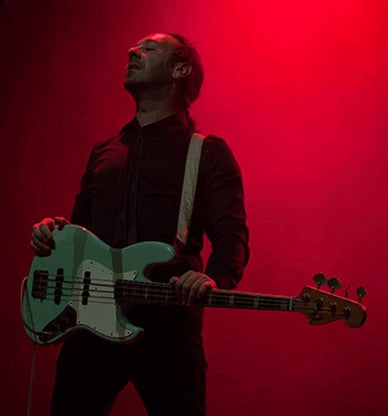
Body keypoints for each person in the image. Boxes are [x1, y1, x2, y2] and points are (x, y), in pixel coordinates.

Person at [29, 32, 249, 415]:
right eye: (135, 47)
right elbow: (80, 233)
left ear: (180, 69)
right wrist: (53, 234)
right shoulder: (105, 151)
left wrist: (213, 278)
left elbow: (231, 235)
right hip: (89, 325)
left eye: (149, 48)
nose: (133, 51)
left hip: (167, 329)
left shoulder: (206, 152)